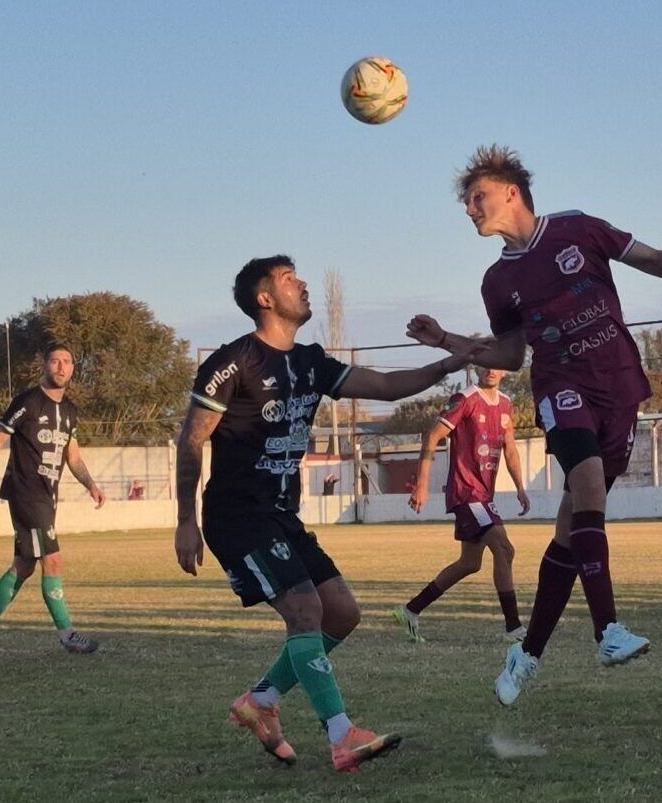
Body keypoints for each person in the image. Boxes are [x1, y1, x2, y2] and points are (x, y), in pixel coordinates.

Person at [409, 144, 662, 706]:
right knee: (586, 484)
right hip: (560, 386)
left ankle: (527, 654)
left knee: (572, 528)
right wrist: (447, 340)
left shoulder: (578, 229)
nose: (470, 209)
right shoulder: (497, 281)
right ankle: (607, 631)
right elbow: (512, 356)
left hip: (619, 385)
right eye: (467, 203)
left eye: (477, 198)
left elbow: (656, 264)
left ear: (511, 191)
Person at [174, 255, 474, 772]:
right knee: (305, 611)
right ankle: (341, 734)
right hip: (237, 515)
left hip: (283, 514)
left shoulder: (311, 362)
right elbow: (191, 439)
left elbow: (386, 386)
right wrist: (184, 520)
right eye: (290, 279)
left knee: (342, 615)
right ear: (264, 298)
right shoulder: (234, 362)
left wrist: (448, 362)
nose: (304, 284)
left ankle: (261, 701)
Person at [0, 345, 106, 656]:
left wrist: (91, 484)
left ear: (73, 368)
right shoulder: (27, 402)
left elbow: (73, 456)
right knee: (53, 560)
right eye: (56, 360)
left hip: (47, 496)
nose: (61, 366)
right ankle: (68, 635)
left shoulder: (70, 411)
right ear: (45, 365)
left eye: (68, 361)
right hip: (25, 492)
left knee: (24, 565)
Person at [395, 366, 531, 643]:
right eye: (485, 363)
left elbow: (511, 448)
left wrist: (519, 486)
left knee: (470, 563)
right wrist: (422, 485)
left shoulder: (506, 404)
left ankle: (411, 610)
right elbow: (432, 437)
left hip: (484, 495)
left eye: (497, 364)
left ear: (504, 370)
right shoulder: (465, 398)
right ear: (476, 367)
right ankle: (514, 629)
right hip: (467, 492)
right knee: (504, 550)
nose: (491, 370)